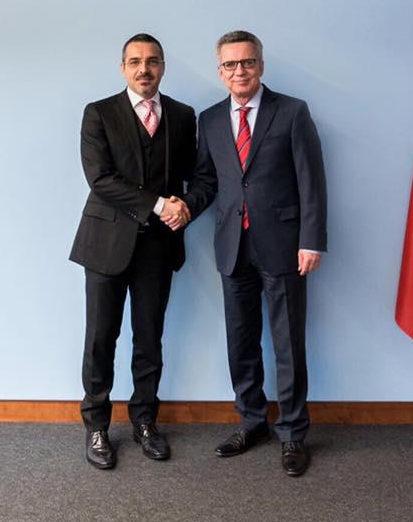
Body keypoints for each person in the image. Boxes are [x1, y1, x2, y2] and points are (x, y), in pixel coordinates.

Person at [181, 30, 328, 477]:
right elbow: (206, 180)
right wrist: (184, 208)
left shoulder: (292, 111)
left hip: (284, 247)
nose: (239, 71)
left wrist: (311, 240)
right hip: (232, 247)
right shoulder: (209, 119)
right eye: (230, 64)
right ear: (220, 71)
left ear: (261, 66)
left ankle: (292, 433)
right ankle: (251, 422)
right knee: (240, 341)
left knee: (287, 344)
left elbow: (311, 180)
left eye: (247, 62)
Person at [69, 33, 195, 470]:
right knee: (101, 338)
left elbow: (192, 175)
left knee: (149, 338)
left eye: (153, 61)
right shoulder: (99, 113)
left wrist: (185, 207)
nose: (145, 69)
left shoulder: (183, 115)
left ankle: (145, 421)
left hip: (158, 247)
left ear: (163, 67)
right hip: (106, 243)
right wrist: (159, 204)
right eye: (136, 61)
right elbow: (100, 179)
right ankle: (97, 426)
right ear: (123, 67)